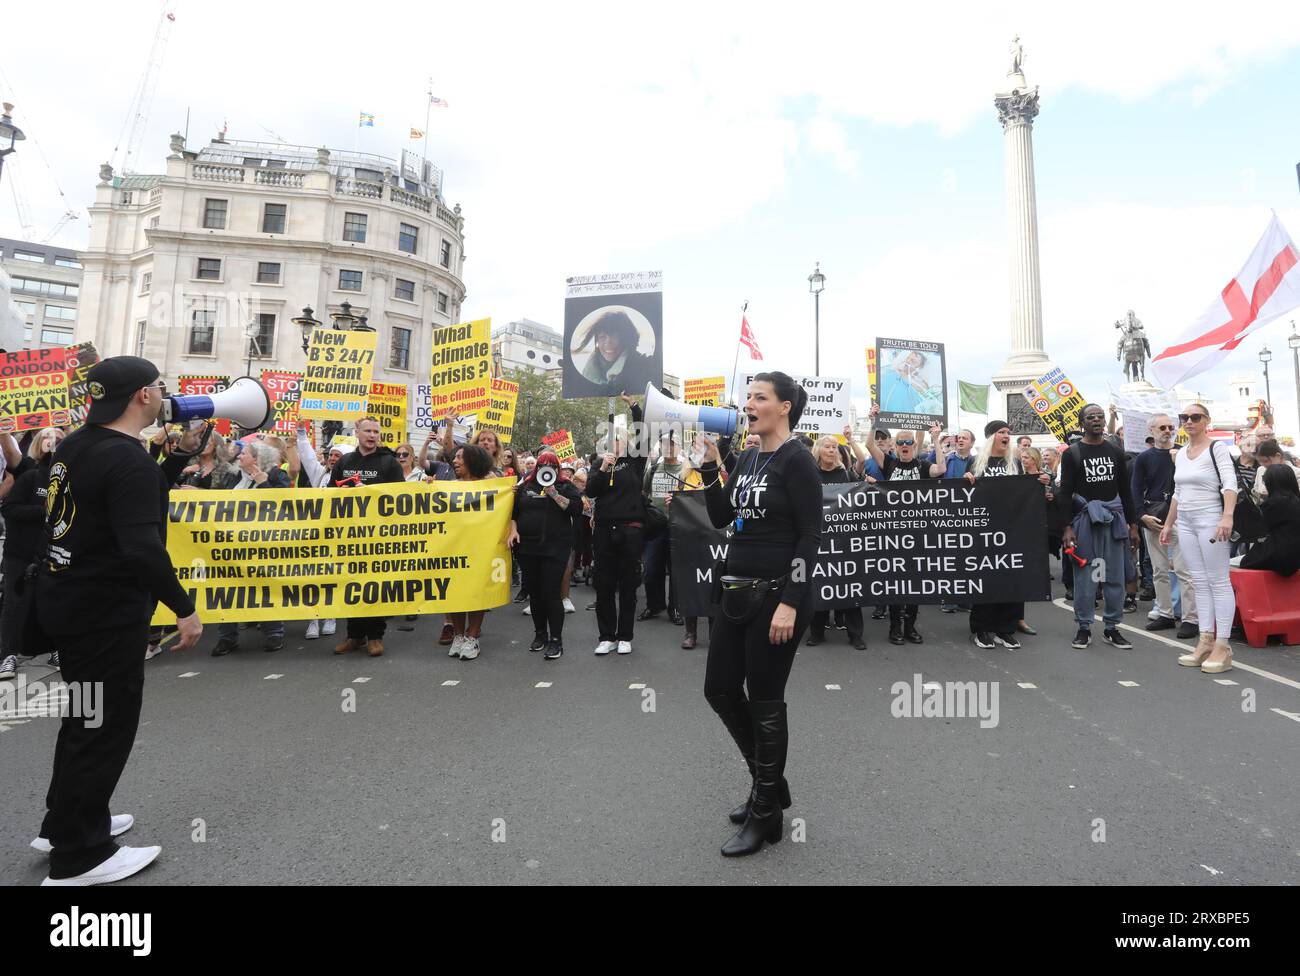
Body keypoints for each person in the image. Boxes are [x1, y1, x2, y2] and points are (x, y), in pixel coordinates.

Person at [30, 356, 202, 885]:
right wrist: (184, 607)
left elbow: (121, 505)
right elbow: (141, 546)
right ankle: (79, 856)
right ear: (142, 397)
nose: (162, 393)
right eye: (158, 385)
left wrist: (169, 463)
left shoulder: (77, 446)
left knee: (84, 719)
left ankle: (65, 821)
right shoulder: (126, 460)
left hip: (68, 602)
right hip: (105, 614)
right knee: (103, 726)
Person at [696, 371, 821, 857]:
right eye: (748, 396)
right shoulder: (747, 456)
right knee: (720, 688)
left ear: (784, 407)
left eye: (759, 397)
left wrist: (790, 599)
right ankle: (769, 789)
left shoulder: (798, 460)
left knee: (765, 698)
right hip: (736, 592)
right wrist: (711, 468)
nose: (748, 403)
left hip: (776, 597)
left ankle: (765, 811)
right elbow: (723, 517)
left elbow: (810, 535)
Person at [1161, 404, 1238, 673]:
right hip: (1186, 522)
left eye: (1195, 417)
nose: (1189, 421)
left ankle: (1223, 644)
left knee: (1218, 581)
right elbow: (1178, 493)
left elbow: (1230, 484)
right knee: (1199, 581)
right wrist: (1168, 524)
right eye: (1185, 417)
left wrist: (1227, 516)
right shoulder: (1181, 453)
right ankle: (1205, 639)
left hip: (1211, 520)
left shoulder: (1216, 448)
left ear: (1206, 420)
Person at [1058, 403, 1139, 650]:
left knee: (1114, 576)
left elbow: (1126, 492)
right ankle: (1084, 627)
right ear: (1082, 422)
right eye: (1090, 417)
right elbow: (1065, 493)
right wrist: (1066, 527)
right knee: (1087, 576)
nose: (1096, 420)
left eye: (1100, 416)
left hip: (1113, 523)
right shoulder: (1072, 453)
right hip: (1085, 523)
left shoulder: (1115, 451)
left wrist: (1133, 525)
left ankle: (1112, 627)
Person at [866, 404, 945, 644]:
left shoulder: (922, 466)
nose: (904, 446)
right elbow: (870, 445)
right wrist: (873, 422)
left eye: (908, 442)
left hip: (918, 534)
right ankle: (895, 627)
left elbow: (941, 469)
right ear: (895, 446)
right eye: (900, 443)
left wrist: (936, 439)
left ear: (914, 446)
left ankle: (910, 626)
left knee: (915, 583)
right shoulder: (889, 464)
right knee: (895, 583)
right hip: (892, 534)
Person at [330, 417, 405, 657]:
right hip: (349, 533)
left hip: (378, 534)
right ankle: (354, 635)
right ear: (357, 433)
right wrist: (338, 492)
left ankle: (375, 636)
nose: (372, 435)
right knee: (352, 584)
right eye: (368, 431)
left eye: (376, 431)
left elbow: (400, 497)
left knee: (375, 585)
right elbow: (330, 492)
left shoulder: (389, 462)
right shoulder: (345, 461)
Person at [210, 440, 291, 656]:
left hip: (263, 545)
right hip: (232, 544)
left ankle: (274, 633)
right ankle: (226, 637)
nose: (238, 457)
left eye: (243, 453)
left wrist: (264, 484)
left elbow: (285, 508)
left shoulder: (276, 476)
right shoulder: (234, 477)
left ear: (257, 458)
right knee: (227, 590)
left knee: (265, 588)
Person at [584, 392, 647, 656]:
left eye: (617, 439)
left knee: (628, 585)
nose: (614, 444)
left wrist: (633, 406)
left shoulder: (634, 462)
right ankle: (606, 635)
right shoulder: (600, 465)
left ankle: (625, 635)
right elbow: (591, 491)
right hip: (603, 530)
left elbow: (643, 431)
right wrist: (601, 469)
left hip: (630, 529)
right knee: (605, 584)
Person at [1, 427, 64, 678]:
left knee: (56, 603)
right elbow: (10, 510)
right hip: (21, 555)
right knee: (15, 605)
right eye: (51, 439)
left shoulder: (70, 479)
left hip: (53, 554)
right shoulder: (29, 475)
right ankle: (8, 656)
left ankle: (58, 649)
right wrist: (44, 513)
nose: (56, 443)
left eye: (61, 439)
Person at [507, 450, 583, 660]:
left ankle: (556, 640)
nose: (545, 469)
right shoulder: (525, 487)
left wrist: (554, 494)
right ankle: (540, 634)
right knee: (535, 593)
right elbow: (513, 514)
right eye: (541, 465)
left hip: (556, 547)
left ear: (557, 468)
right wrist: (513, 530)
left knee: (551, 593)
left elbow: (576, 509)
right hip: (528, 548)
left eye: (550, 465)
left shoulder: (566, 486)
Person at [1131, 414, 1199, 639]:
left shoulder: (1184, 452)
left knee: (1184, 570)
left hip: (1181, 517)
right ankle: (1165, 613)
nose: (1168, 430)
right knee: (1159, 569)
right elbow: (1136, 488)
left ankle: (1191, 618)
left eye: (1171, 427)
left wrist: (1178, 461)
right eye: (1162, 427)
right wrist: (1142, 516)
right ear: (1151, 430)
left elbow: (1195, 482)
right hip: (1154, 518)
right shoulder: (1144, 458)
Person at [964, 422, 1024, 649]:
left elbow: (1023, 492)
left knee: (1010, 578)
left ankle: (1005, 628)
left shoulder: (1015, 463)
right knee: (986, 579)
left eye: (1008, 433)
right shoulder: (977, 462)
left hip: (1011, 528)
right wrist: (966, 482)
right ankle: (981, 628)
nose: (1006, 436)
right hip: (984, 530)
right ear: (991, 437)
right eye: (1001, 432)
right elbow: (965, 495)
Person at [807, 435, 866, 649]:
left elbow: (859, 497)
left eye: (835, 447)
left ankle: (855, 635)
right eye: (827, 447)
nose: (832, 450)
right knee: (820, 584)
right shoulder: (810, 475)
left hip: (844, 539)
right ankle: (817, 632)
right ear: (819, 450)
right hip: (819, 538)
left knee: (849, 585)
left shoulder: (846, 474)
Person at [445, 444, 497, 660]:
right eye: (454, 458)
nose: (455, 461)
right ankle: (458, 635)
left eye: (460, 457)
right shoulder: (446, 486)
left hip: (479, 548)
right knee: (455, 593)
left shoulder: (491, 486)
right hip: (453, 547)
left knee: (476, 593)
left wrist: (506, 490)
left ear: (473, 461)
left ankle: (472, 636)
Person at [640, 432, 696, 627]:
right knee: (650, 568)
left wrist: (679, 501)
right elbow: (644, 492)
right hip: (655, 526)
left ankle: (675, 608)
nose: (667, 447)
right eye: (663, 443)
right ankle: (654, 605)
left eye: (671, 444)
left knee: (676, 570)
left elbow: (695, 499)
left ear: (679, 447)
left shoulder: (687, 470)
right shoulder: (654, 467)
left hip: (678, 527)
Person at [572, 309, 657, 397]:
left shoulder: (645, 366)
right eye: (602, 337)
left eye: (614, 336)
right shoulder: (588, 372)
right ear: (597, 341)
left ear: (626, 339)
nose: (608, 343)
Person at [1239, 464, 1300, 575]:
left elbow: (1257, 528)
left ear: (1271, 482)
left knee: (1243, 562)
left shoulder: (1273, 503)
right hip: (1295, 555)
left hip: (1279, 554)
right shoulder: (1295, 500)